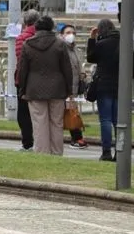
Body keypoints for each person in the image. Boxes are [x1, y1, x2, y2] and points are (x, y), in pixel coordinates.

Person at [18, 16, 73, 155]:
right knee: (57, 123)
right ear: (51, 28)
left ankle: (42, 154)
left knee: (39, 123)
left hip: (34, 89)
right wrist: (69, 89)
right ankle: (57, 153)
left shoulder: (27, 44)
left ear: (36, 28)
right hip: (57, 88)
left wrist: (22, 89)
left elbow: (22, 70)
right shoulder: (60, 44)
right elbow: (67, 68)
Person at [87, 18, 134, 162]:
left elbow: (91, 57)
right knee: (118, 121)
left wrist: (92, 39)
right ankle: (119, 151)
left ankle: (106, 152)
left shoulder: (101, 44)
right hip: (121, 87)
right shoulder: (125, 44)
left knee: (105, 120)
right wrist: (125, 79)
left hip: (104, 85)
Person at [13, 9, 40, 151]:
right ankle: (41, 142)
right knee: (40, 112)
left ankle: (27, 142)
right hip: (41, 79)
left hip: (23, 79)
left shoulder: (21, 38)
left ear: (25, 22)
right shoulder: (45, 37)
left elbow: (20, 60)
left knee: (23, 113)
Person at [60, 24, 87, 148]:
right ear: (62, 35)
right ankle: (76, 137)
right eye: (68, 32)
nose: (71, 35)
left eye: (73, 33)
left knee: (72, 113)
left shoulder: (76, 50)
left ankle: (76, 138)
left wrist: (82, 74)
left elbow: (78, 65)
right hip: (63, 88)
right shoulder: (60, 49)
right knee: (64, 113)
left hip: (74, 87)